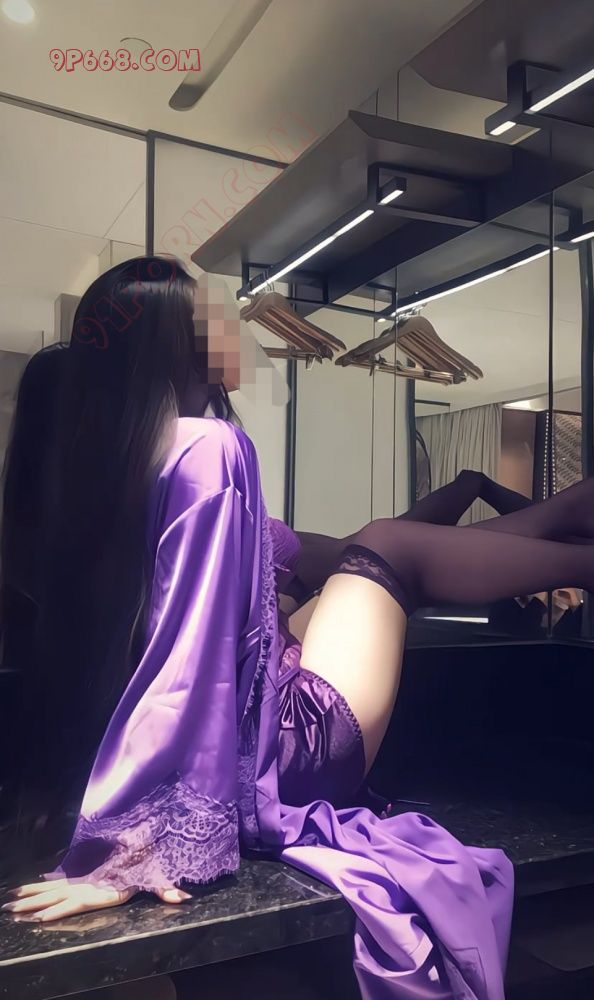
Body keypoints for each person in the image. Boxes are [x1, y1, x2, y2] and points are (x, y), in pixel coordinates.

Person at [2, 256, 594, 1000]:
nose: (232, 335)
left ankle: (559, 516)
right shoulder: (204, 447)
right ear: (179, 344)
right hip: (292, 749)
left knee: (379, 546)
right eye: (213, 322)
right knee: (385, 545)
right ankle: (566, 524)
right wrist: (144, 845)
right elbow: (189, 658)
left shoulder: (113, 468)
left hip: (248, 733)